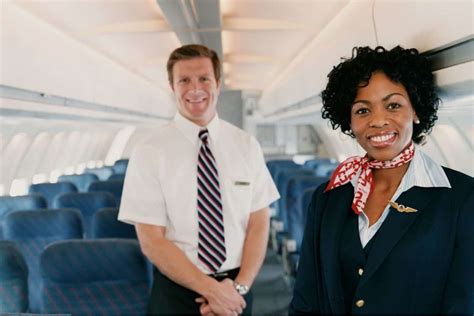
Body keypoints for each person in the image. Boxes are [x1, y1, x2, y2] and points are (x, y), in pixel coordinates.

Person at [289, 46, 473, 314]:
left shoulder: (462, 198)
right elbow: (306, 299)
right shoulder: (329, 197)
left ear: (417, 111)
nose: (378, 121)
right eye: (363, 110)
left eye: (393, 105)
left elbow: (463, 305)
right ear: (349, 121)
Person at [118, 44, 279, 315]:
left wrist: (238, 288)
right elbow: (151, 240)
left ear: (218, 83)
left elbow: (259, 222)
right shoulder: (149, 151)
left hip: (236, 289)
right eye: (184, 80)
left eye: (204, 78)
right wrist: (210, 290)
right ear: (172, 86)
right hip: (177, 291)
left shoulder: (246, 145)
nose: (195, 88)